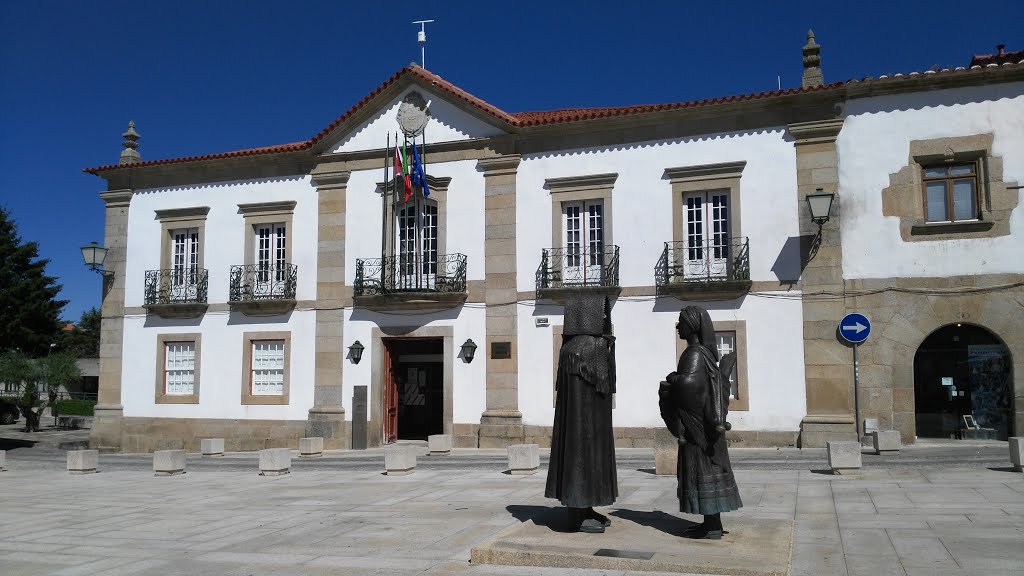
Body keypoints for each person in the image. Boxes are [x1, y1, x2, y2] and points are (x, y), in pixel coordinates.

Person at [659, 306, 742, 539]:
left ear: (692, 326)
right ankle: (710, 522)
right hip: (703, 427)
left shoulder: (694, 353)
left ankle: (713, 526)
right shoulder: (701, 352)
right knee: (707, 473)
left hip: (698, 430)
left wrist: (673, 379)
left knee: (703, 471)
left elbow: (689, 385)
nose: (678, 327)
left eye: (681, 322)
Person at [545, 294, 618, 533]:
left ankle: (583, 508)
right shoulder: (593, 346)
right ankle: (580, 512)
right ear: (590, 316)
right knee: (587, 461)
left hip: (579, 423)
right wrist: (609, 349)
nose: (606, 318)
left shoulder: (568, 348)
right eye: (602, 313)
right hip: (590, 423)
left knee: (580, 459)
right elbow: (606, 384)